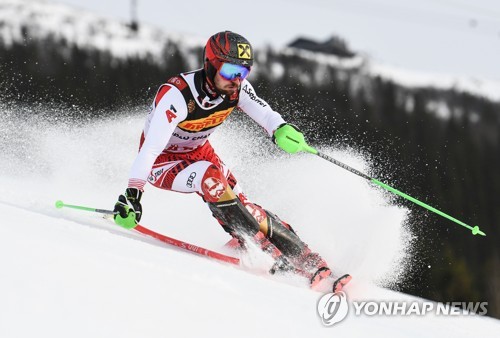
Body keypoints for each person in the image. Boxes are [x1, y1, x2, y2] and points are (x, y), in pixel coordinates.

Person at [113, 31, 350, 291]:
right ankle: (259, 246)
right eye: (229, 72)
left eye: (243, 73)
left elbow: (267, 115)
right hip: (162, 163)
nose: (236, 80)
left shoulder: (238, 90)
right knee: (210, 177)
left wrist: (281, 129)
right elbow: (150, 149)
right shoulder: (177, 95)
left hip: (200, 153)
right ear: (210, 65)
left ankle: (306, 257)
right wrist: (132, 194)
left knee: (249, 210)